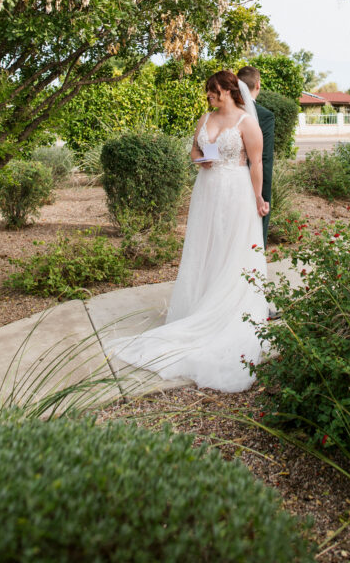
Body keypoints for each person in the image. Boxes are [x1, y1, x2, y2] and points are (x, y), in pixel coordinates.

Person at [106, 70, 270, 393]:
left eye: (213, 90)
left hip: (235, 193)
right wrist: (201, 161)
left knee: (230, 251)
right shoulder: (205, 117)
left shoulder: (246, 123)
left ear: (227, 89)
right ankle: (199, 304)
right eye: (208, 91)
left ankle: (225, 311)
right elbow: (195, 152)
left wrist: (259, 198)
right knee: (204, 250)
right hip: (207, 192)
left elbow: (257, 163)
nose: (208, 95)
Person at [237, 66, 275, 247]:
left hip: (226, 178)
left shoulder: (222, 112)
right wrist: (263, 193)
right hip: (254, 178)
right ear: (257, 85)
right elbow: (264, 158)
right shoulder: (265, 116)